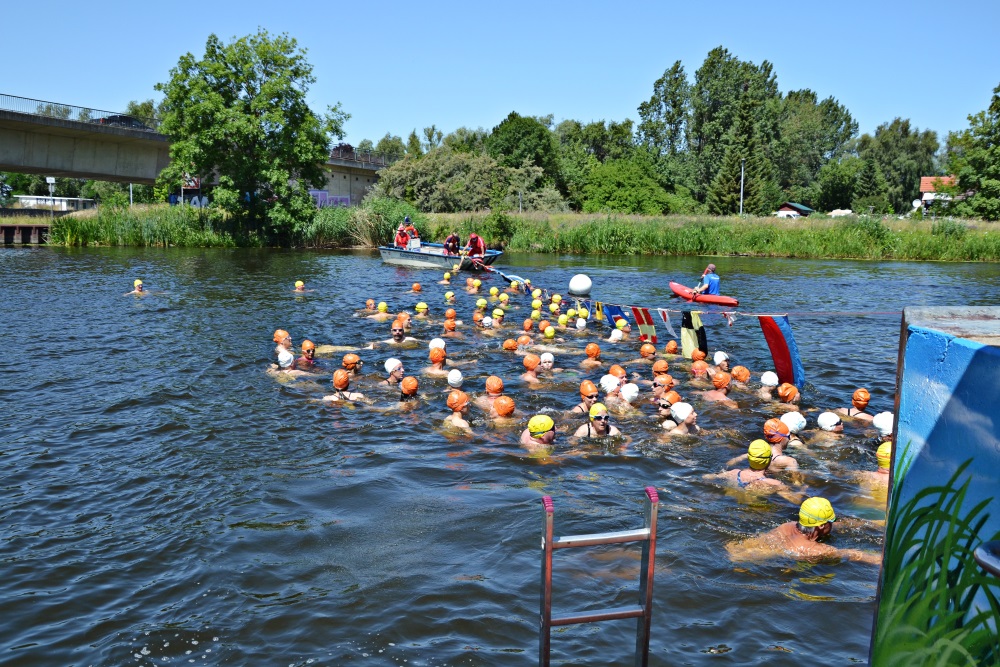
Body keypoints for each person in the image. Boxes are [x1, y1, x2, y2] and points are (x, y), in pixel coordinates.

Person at [726, 497, 881, 565]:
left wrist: (874, 524)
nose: (834, 524)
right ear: (822, 526)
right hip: (747, 561)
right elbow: (851, 554)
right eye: (831, 521)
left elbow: (841, 525)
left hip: (734, 550)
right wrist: (880, 560)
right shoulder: (815, 550)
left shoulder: (786, 527)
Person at [706, 440, 798, 499]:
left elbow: (707, 477)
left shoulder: (733, 473)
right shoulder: (775, 484)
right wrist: (803, 488)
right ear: (769, 459)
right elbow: (795, 500)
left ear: (749, 458)